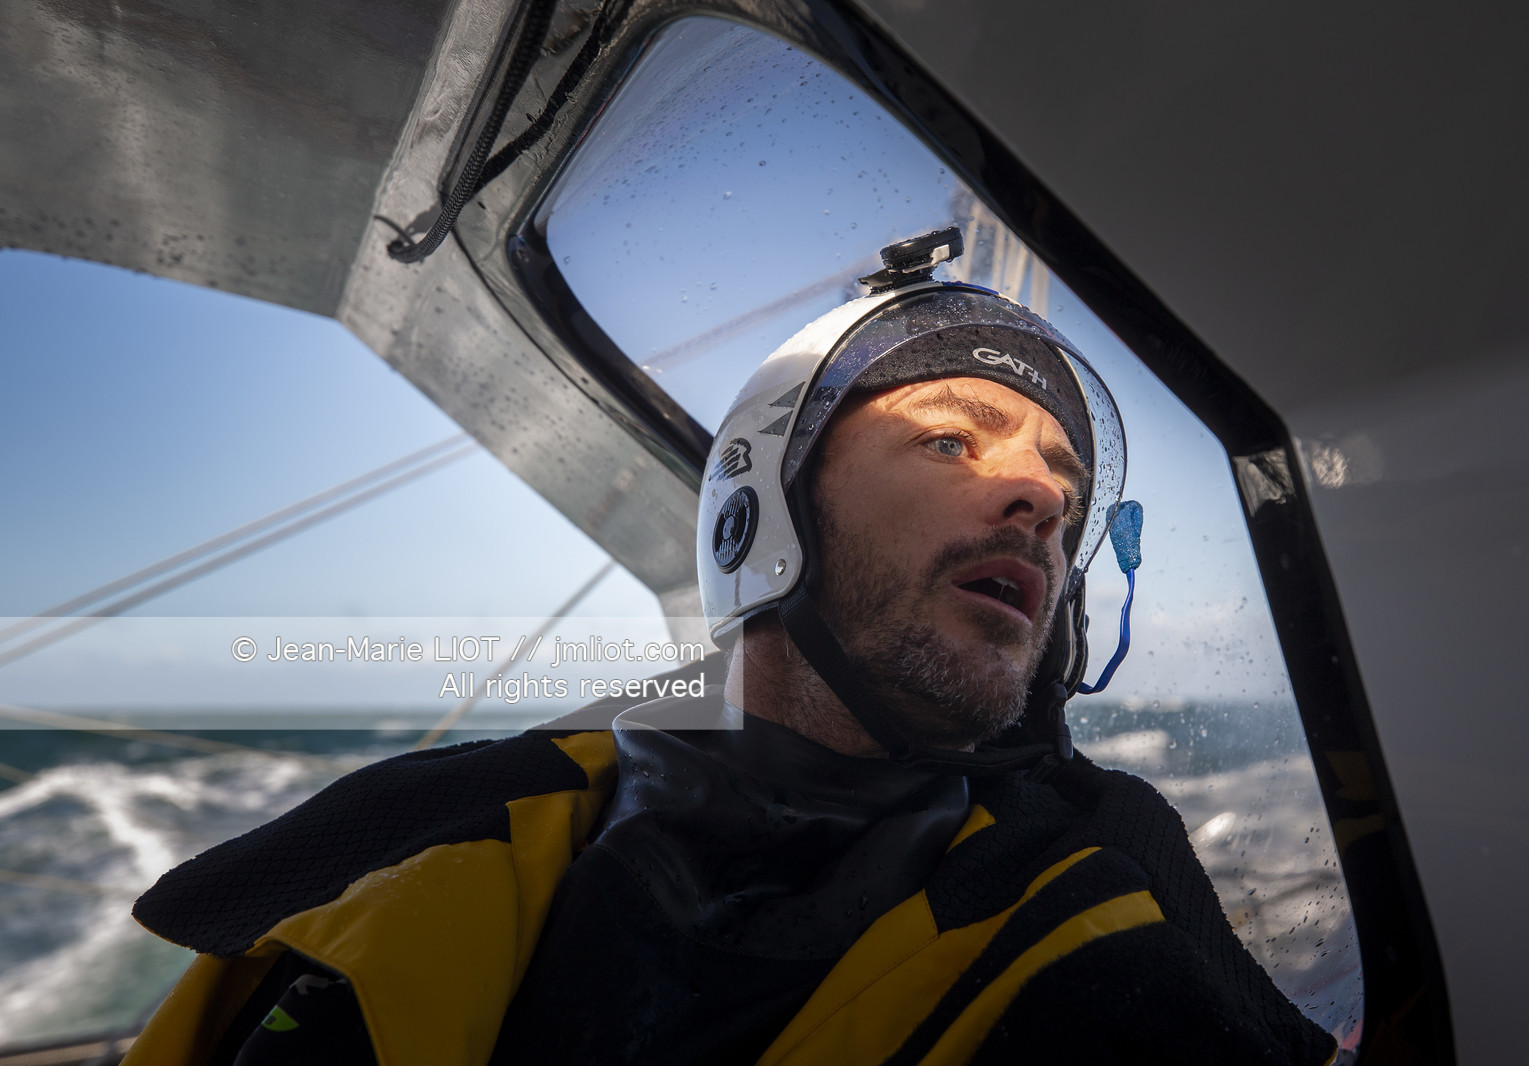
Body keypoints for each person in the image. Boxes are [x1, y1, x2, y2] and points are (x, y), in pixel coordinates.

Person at [124, 230, 1335, 1065]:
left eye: (1062, 486)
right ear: (760, 509)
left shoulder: (1107, 937)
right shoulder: (431, 854)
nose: (1039, 500)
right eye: (951, 443)